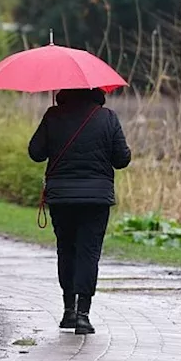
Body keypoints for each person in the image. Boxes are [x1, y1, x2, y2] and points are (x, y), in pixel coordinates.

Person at [28, 87, 131, 335]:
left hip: (62, 198)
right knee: (89, 252)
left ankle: (68, 311)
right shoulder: (107, 117)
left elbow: (35, 153)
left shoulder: (54, 115)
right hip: (96, 199)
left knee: (66, 249)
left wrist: (55, 126)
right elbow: (122, 159)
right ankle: (83, 315)